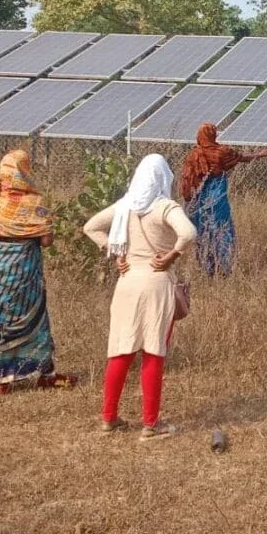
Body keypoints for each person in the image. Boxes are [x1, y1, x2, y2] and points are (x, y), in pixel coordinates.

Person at [83, 154, 196, 440]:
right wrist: (171, 256)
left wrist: (115, 251)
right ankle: (150, 424)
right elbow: (189, 232)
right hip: (156, 283)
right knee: (153, 351)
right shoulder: (164, 207)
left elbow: (91, 227)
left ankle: (108, 418)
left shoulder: (125, 206)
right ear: (162, 178)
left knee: (122, 349)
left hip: (127, 281)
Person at [0, 150, 74, 394]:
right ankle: (44, 374)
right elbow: (46, 241)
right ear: (25, 171)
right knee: (34, 318)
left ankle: (0, 380)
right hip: (25, 274)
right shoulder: (35, 202)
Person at [178, 123, 267, 277]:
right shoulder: (222, 152)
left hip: (199, 198)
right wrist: (258, 155)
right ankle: (225, 268)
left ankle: (207, 268)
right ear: (214, 135)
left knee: (203, 230)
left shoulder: (194, 155)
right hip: (217, 197)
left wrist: (188, 199)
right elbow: (241, 158)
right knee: (222, 229)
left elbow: (187, 179)